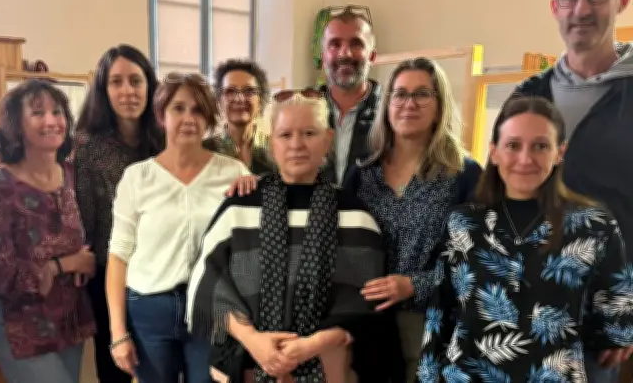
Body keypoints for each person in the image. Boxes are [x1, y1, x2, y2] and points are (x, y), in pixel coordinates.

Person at [188, 89, 404, 383]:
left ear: (328, 139)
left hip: (328, 367)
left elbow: (368, 304)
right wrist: (253, 339)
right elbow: (207, 281)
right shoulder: (238, 207)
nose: (297, 145)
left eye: (309, 133)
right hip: (248, 361)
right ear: (271, 143)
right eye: (285, 135)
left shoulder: (355, 214)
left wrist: (313, 344)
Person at [418, 95, 633, 383]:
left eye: (540, 146)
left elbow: (616, 321)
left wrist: (619, 334)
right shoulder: (463, 222)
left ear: (560, 152)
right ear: (494, 152)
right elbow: (440, 313)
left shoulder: (594, 225)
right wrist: (427, 377)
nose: (525, 159)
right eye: (513, 145)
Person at [511, 0, 633, 382]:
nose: (581, 9)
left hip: (600, 319)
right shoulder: (527, 95)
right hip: (520, 308)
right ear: (555, 6)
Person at [341, 57, 481, 382]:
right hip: (368, 320)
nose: (409, 103)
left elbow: (480, 260)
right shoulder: (362, 174)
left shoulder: (464, 174)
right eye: (400, 94)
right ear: (387, 104)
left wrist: (414, 285)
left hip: (433, 324)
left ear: (440, 104)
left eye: (422, 94)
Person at [106, 72, 249, 383]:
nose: (188, 118)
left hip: (210, 308)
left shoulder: (233, 172)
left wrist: (254, 190)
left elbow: (249, 243)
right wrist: (118, 333)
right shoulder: (137, 178)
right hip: (149, 310)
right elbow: (118, 256)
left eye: (198, 110)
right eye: (178, 108)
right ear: (162, 115)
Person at [0, 79, 96, 383]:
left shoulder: (73, 175)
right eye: (37, 113)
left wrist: (86, 260)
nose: (51, 121)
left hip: (70, 319)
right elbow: (0, 270)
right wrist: (64, 264)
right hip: (20, 324)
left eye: (57, 112)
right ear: (16, 126)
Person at [73, 44, 163, 383]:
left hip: (162, 273)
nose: (128, 91)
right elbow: (86, 221)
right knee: (117, 369)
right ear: (103, 89)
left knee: (160, 370)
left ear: (149, 86)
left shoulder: (165, 139)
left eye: (136, 81)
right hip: (110, 275)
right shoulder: (87, 146)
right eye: (116, 82)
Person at [316, 8, 380, 184]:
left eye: (356, 44)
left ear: (372, 56)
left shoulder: (390, 114)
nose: (345, 54)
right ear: (323, 57)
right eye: (335, 44)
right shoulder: (304, 114)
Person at [204, 58, 274, 174]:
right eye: (230, 91)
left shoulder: (276, 148)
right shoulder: (203, 152)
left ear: (261, 100)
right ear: (219, 101)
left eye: (248, 91)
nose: (239, 99)